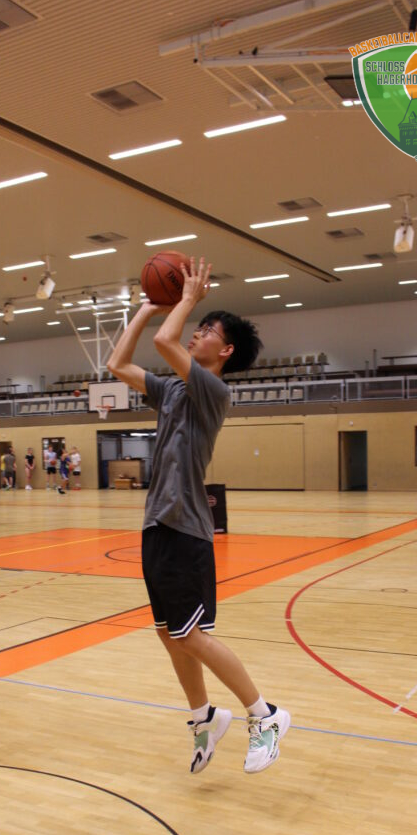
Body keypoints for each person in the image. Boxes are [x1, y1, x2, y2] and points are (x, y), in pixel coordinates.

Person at [107, 256, 290, 775]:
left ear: (225, 351)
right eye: (199, 325)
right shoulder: (172, 389)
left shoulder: (213, 390)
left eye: (207, 330)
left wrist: (186, 299)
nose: (196, 333)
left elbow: (166, 342)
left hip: (186, 528)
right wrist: (147, 307)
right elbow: (118, 365)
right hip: (156, 525)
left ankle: (266, 714)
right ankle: (204, 717)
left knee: (189, 635)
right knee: (169, 633)